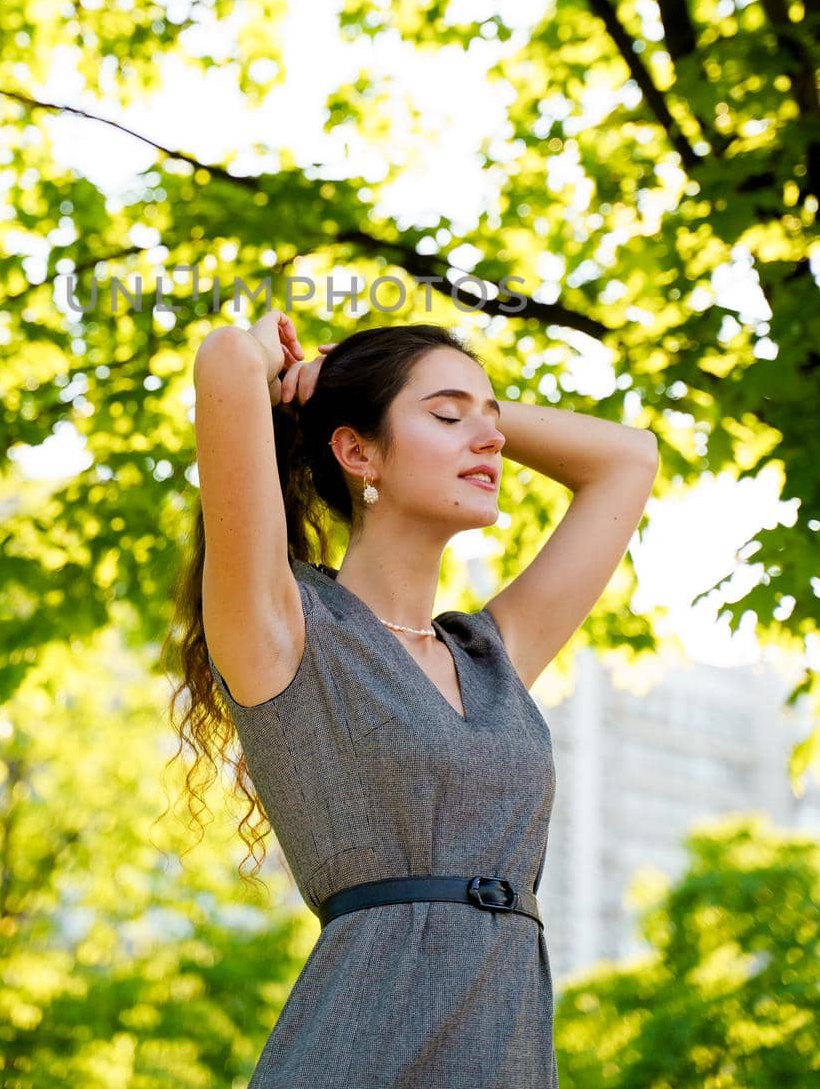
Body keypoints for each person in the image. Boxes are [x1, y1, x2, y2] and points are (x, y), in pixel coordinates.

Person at [170, 309, 658, 1087]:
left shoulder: (489, 657)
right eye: (446, 415)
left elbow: (627, 459)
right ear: (357, 451)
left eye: (489, 420)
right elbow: (226, 359)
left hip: (507, 1053)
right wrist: (313, 373)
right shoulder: (283, 629)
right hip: (354, 1052)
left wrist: (467, 410)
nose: (490, 440)